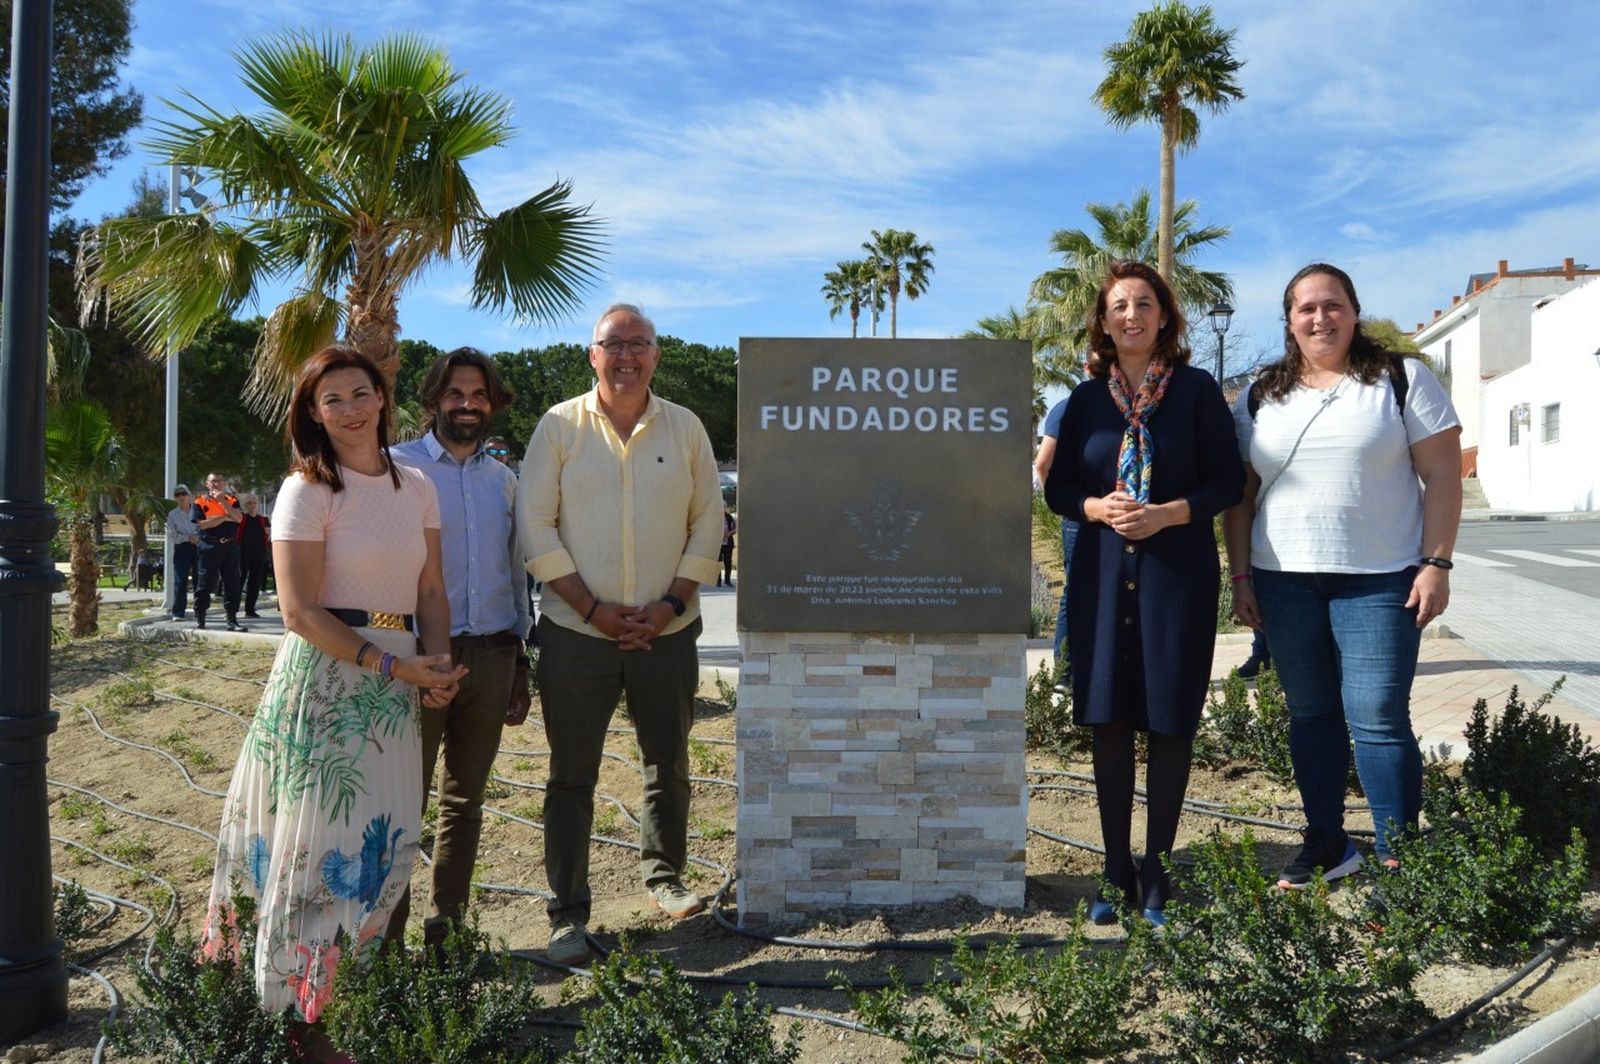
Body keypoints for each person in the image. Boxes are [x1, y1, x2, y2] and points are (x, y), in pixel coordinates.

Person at [201, 346, 466, 1060]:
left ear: (383, 397)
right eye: (333, 399)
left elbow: (431, 590)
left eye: (361, 392)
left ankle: (346, 1003)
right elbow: (297, 611)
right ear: (313, 414)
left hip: (397, 692)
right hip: (327, 684)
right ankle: (296, 1022)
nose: (350, 409)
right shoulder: (307, 489)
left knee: (381, 848)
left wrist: (435, 664)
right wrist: (392, 664)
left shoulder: (416, 486)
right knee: (316, 851)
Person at [1224, 263, 1461, 887]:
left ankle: (1399, 856)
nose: (1320, 318)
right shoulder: (1260, 395)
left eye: (1332, 305)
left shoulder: (1402, 379)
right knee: (1310, 714)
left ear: (1354, 312)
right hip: (1284, 580)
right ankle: (1328, 841)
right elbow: (1241, 494)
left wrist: (1437, 562)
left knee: (1378, 715)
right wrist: (1241, 578)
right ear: (1289, 320)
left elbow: (1442, 475)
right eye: (1306, 308)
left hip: (1381, 579)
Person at [517, 303, 722, 966]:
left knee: (668, 762)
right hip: (578, 632)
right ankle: (567, 913)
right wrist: (592, 607)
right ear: (592, 354)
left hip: (669, 630)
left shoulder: (687, 429)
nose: (627, 355)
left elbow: (707, 524)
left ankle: (664, 877)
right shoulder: (557, 428)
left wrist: (668, 605)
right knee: (571, 775)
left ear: (657, 355)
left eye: (640, 343)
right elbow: (535, 528)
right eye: (614, 344)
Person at [1044, 261, 1243, 925]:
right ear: (1103, 321)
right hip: (1103, 576)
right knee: (1108, 719)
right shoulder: (1084, 401)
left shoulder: (1196, 392)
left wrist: (1167, 513)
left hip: (1175, 576)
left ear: (1165, 317)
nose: (1132, 315)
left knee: (1167, 719)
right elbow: (1059, 489)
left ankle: (1156, 868)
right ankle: (1113, 869)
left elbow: (1226, 482)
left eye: (1145, 304)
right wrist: (1097, 509)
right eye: (1119, 306)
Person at [388, 348, 532, 950]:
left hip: (492, 654)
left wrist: (521, 660)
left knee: (466, 801)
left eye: (478, 395)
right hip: (416, 659)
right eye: (455, 394)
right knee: (400, 804)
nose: (467, 405)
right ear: (432, 401)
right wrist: (412, 659)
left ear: (492, 405)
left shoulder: (505, 480)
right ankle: (383, 944)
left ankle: (447, 931)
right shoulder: (396, 468)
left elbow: (515, 573)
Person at [1033, 395, 1080, 681]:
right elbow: (1043, 464)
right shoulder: (1068, 407)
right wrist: (1062, 502)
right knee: (1074, 594)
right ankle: (1064, 673)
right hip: (1078, 517)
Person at [192, 471, 245, 631]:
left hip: (230, 546)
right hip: (209, 546)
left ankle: (232, 620)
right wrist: (224, 518)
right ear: (207, 484)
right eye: (213, 481)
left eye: (219, 481)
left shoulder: (232, 500)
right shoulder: (199, 501)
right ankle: (201, 617)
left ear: (224, 483)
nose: (216, 484)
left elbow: (239, 518)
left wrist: (222, 502)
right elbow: (202, 524)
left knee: (232, 582)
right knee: (206, 582)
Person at [165, 485, 199, 621]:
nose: (181, 497)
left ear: (189, 495)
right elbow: (172, 535)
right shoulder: (173, 514)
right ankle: (178, 612)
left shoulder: (198, 510)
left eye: (183, 494)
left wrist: (197, 538)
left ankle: (200, 610)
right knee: (180, 581)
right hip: (182, 549)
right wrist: (187, 538)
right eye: (177, 495)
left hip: (198, 547)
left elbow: (205, 527)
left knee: (200, 581)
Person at [237, 494, 272, 618]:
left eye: (254, 503)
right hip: (243, 554)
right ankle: (233, 609)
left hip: (259, 554)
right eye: (250, 503)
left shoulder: (264, 520)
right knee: (239, 581)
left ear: (258, 504)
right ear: (246, 505)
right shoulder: (242, 518)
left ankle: (250, 610)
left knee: (255, 582)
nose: (252, 505)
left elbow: (269, 536)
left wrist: (269, 533)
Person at [717, 504, 737, 587]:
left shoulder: (729, 517)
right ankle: (718, 581)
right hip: (718, 544)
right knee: (718, 563)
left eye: (724, 506)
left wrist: (729, 533)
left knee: (728, 562)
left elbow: (735, 529)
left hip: (728, 544)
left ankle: (727, 580)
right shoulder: (715, 517)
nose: (722, 508)